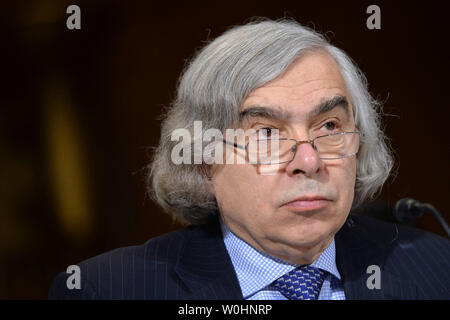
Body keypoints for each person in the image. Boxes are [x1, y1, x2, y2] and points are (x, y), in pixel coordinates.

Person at [49, 18, 450, 300]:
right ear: (204, 160)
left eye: (328, 126)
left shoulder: (436, 269)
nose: (308, 161)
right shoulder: (109, 289)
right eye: (266, 133)